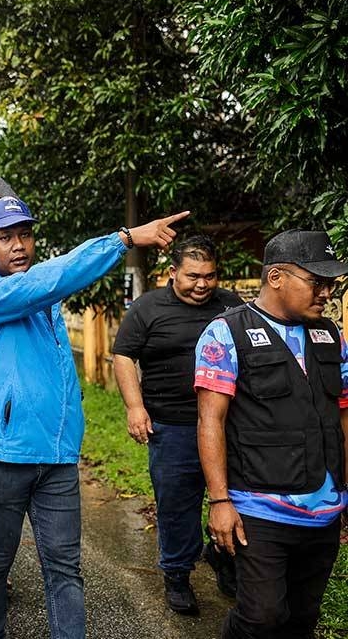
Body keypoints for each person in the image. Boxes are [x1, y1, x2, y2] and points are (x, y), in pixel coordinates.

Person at [0, 196, 188, 639]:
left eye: (24, 234)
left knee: (65, 567)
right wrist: (122, 240)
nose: (18, 245)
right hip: (4, 455)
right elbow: (49, 281)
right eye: (4, 237)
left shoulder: (44, 298)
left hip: (58, 457)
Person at [195, 229, 348, 639]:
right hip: (259, 509)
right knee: (261, 618)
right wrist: (220, 501)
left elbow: (343, 416)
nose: (326, 293)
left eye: (331, 284)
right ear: (277, 277)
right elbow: (211, 420)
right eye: (317, 282)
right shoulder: (227, 333)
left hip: (326, 510)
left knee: (302, 619)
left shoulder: (330, 335)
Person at [112, 236, 242, 614]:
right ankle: (177, 574)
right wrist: (135, 408)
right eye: (193, 276)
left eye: (210, 276)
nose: (202, 284)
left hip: (229, 425)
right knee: (177, 505)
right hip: (173, 426)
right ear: (172, 273)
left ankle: (224, 557)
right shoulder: (148, 307)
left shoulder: (231, 305)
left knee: (235, 498)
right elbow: (123, 356)